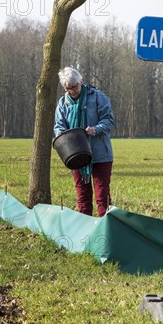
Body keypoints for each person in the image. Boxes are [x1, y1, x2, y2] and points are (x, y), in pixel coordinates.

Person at [54, 67, 115, 217]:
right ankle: (85, 230)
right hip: (76, 156)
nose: (71, 91)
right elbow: (59, 126)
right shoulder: (63, 104)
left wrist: (96, 129)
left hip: (100, 154)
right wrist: (65, 137)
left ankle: (106, 229)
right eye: (67, 88)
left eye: (74, 87)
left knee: (102, 197)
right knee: (83, 197)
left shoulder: (98, 97)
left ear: (80, 82)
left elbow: (109, 120)